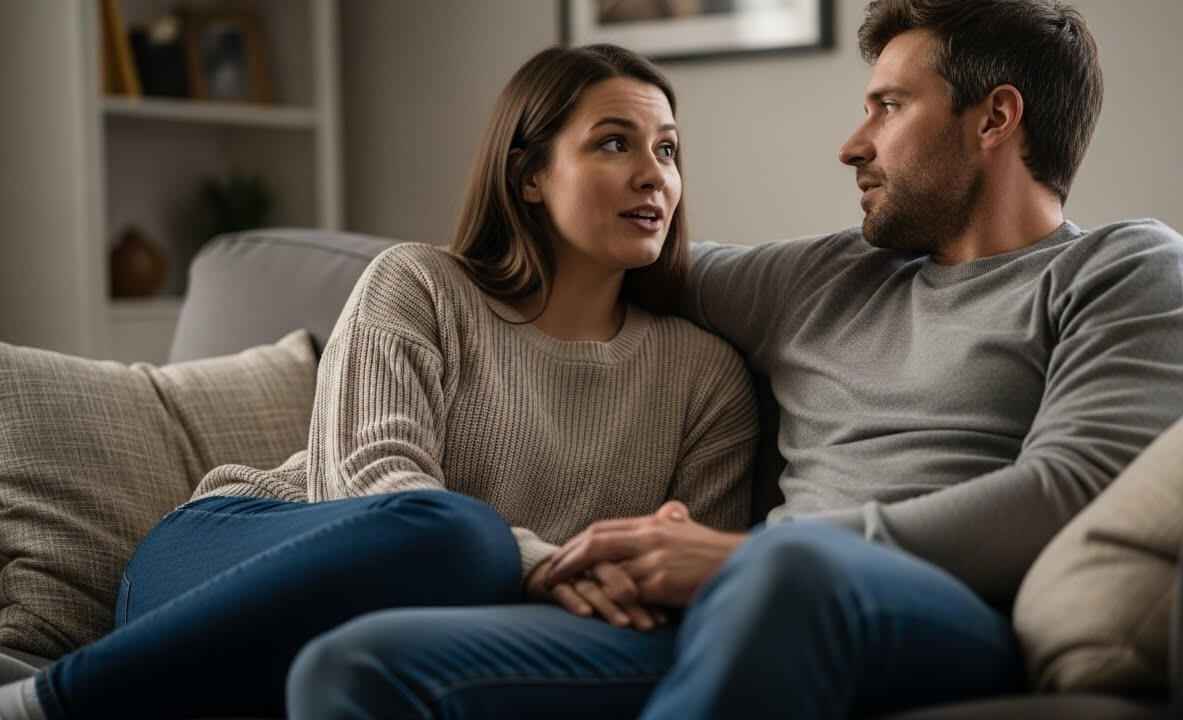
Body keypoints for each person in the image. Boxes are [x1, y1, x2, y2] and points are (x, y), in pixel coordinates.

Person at [281, 0, 1183, 719]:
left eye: (887, 107)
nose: (852, 145)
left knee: (789, 573)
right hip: (743, 604)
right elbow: (616, 255)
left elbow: (1077, 487)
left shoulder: (1129, 269)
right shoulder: (824, 277)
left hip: (944, 613)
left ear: (994, 118)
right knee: (355, 665)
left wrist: (747, 553)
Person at [0, 44, 757, 720]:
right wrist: (537, 566)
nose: (654, 175)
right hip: (228, 559)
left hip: (417, 630)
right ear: (528, 174)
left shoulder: (706, 377)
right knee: (458, 534)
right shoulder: (422, 285)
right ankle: (47, 702)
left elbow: (686, 577)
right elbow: (367, 487)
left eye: (667, 150)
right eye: (615, 143)